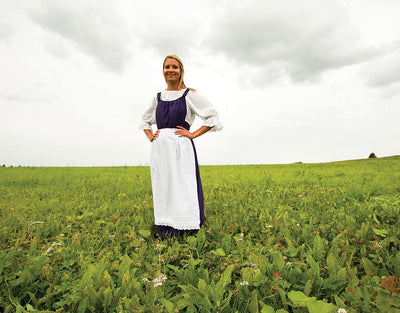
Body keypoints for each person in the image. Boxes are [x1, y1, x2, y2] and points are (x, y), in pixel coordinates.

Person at [139, 55, 222, 239]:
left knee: (183, 184)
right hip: (161, 148)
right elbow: (145, 120)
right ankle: (165, 225)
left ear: (181, 71)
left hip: (181, 145)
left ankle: (187, 225)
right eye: (167, 66)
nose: (170, 70)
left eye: (174, 67)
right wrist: (151, 135)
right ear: (163, 71)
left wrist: (192, 134)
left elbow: (212, 116)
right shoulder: (158, 97)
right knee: (164, 185)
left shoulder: (189, 94)